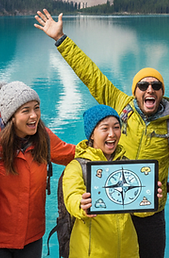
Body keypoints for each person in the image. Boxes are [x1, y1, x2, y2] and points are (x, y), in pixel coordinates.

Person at [35, 9, 169, 258]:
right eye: (143, 85)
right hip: (113, 207)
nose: (149, 90)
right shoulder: (121, 105)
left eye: (155, 86)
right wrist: (61, 39)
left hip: (150, 211)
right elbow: (91, 75)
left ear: (161, 91)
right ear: (135, 90)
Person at [0, 80, 77, 258]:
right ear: (11, 116)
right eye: (26, 110)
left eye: (36, 108)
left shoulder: (43, 136)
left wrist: (103, 147)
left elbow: (70, 154)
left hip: (32, 237)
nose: (34, 116)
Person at [62, 104, 138, 258]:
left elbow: (138, 210)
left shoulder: (127, 164)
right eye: (105, 128)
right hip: (90, 253)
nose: (112, 134)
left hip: (127, 251)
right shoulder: (77, 167)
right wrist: (81, 204)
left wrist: (149, 198)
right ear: (91, 134)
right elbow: (72, 196)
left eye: (116, 127)